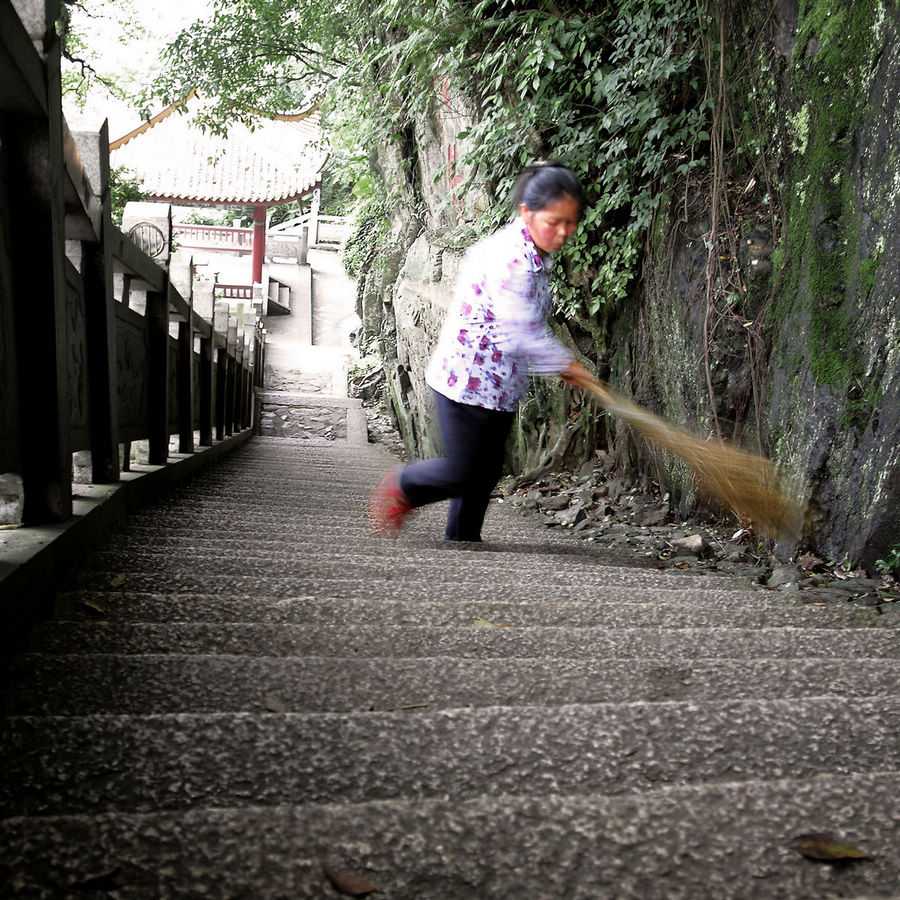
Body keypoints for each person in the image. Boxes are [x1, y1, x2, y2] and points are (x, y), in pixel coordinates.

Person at [369, 162, 593, 541]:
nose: (563, 232)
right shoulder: (513, 259)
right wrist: (565, 364)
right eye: (554, 222)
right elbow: (519, 331)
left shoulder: (532, 252)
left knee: (484, 475)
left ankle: (463, 539)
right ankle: (403, 486)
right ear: (527, 212)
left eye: (570, 223)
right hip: (467, 381)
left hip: (499, 386)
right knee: (465, 472)